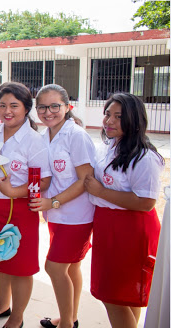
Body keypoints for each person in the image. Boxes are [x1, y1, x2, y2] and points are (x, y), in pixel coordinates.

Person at [84, 93, 164, 328]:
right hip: (107, 225)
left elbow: (145, 202)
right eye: (108, 114)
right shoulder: (108, 146)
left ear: (134, 119)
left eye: (118, 116)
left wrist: (100, 192)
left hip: (131, 230)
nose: (109, 121)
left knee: (114, 294)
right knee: (121, 294)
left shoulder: (144, 157)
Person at [0, 82, 51, 328]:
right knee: (0, 259)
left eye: (14, 106)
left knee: (21, 266)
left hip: (19, 210)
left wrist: (13, 191)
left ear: (26, 108)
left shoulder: (34, 140)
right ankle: (1, 305)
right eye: (2, 105)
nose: (7, 111)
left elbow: (43, 180)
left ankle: (17, 317)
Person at [29, 84, 96, 328]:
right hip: (56, 215)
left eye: (55, 106)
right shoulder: (44, 135)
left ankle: (66, 324)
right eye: (42, 107)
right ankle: (71, 316)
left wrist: (52, 201)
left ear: (67, 107)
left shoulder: (76, 135)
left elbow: (85, 180)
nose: (48, 112)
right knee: (71, 268)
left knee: (54, 267)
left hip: (76, 216)